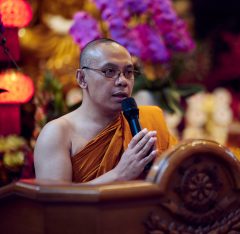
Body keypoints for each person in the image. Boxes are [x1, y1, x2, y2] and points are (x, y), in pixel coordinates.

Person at [34, 38, 177, 184]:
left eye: (128, 72)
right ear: (82, 78)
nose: (123, 81)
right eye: (109, 71)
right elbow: (56, 204)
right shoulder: (57, 133)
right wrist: (119, 174)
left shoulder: (150, 119)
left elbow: (177, 180)